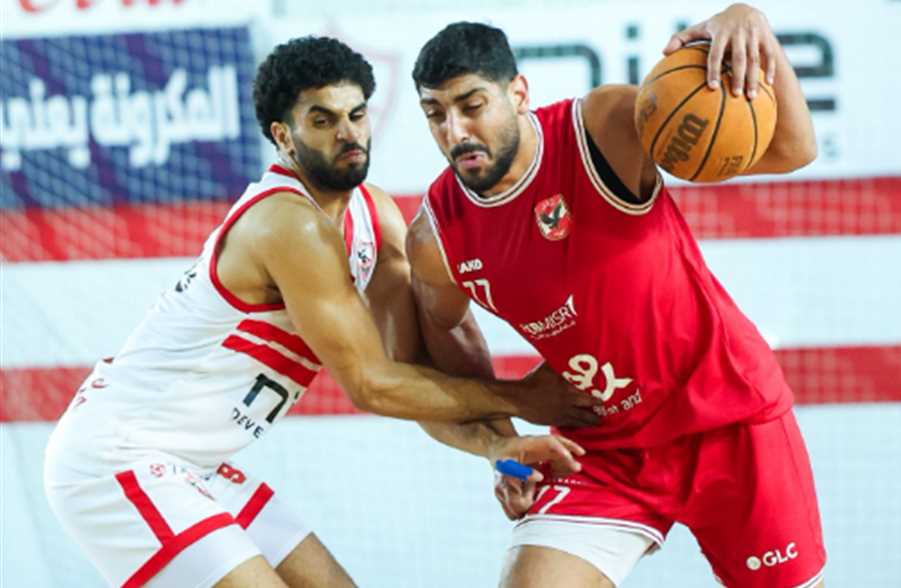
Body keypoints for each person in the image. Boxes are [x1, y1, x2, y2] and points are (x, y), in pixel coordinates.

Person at [43, 35, 597, 588]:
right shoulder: (288, 223)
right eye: (323, 120)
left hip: (195, 462)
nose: (348, 134)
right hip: (117, 455)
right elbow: (372, 386)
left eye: (356, 114)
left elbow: (413, 375)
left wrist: (500, 447)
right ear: (284, 136)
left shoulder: (374, 214)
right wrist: (522, 397)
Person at [406, 4, 826, 588]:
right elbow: (447, 337)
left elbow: (793, 150)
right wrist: (506, 446)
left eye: (471, 106)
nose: (455, 132)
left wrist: (749, 21)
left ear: (518, 93)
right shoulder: (436, 238)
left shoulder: (600, 128)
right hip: (602, 445)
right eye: (435, 114)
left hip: (727, 414)